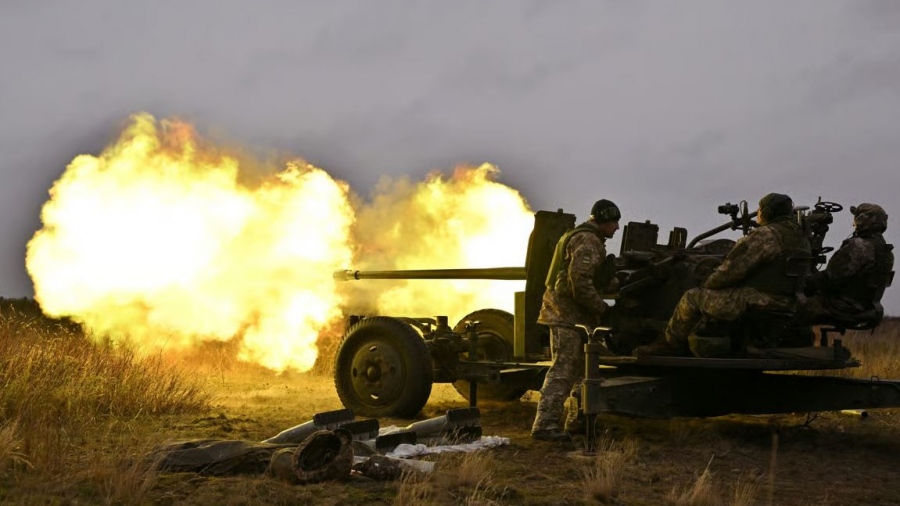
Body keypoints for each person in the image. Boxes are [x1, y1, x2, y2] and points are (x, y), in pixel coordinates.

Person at [634, 192, 811, 357]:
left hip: (758, 301)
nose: (758, 212)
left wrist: (708, 284)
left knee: (692, 297)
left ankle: (667, 345)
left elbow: (729, 271)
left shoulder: (765, 235)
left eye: (760, 209)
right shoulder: (801, 239)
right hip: (787, 304)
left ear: (767, 212)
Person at [531, 199, 621, 442]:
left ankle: (577, 422)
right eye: (614, 222)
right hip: (566, 316)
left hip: (574, 317)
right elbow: (579, 283)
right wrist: (602, 308)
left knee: (583, 373)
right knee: (563, 370)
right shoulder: (587, 240)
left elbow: (589, 278)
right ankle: (545, 425)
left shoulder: (583, 237)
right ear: (603, 220)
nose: (616, 227)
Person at [804, 203, 894, 325]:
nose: (854, 223)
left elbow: (830, 278)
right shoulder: (886, 251)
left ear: (863, 221)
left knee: (788, 307)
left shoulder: (858, 246)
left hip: (841, 307)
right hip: (866, 308)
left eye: (856, 219)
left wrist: (803, 284)